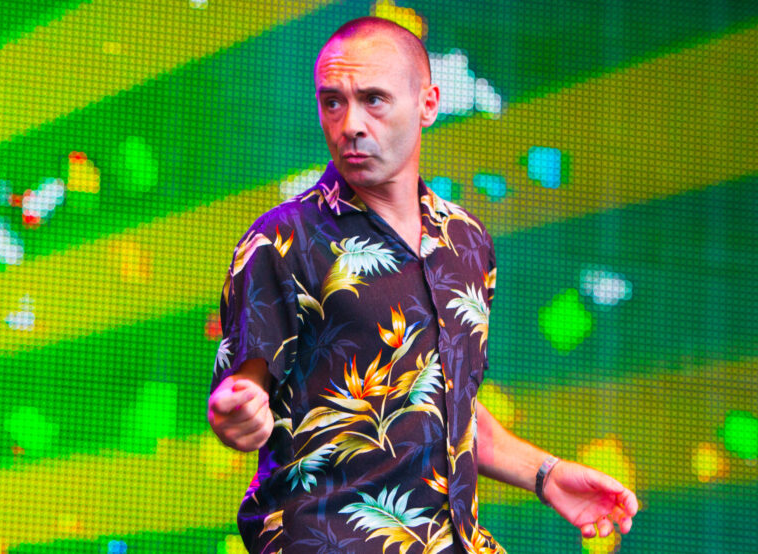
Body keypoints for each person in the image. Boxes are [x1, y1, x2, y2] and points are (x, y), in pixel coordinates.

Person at [208, 16, 638, 553]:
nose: (351, 124)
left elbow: (441, 399)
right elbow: (243, 394)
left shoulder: (468, 242)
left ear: (428, 104)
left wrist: (546, 474)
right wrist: (238, 409)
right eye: (333, 102)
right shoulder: (280, 239)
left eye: (374, 100)